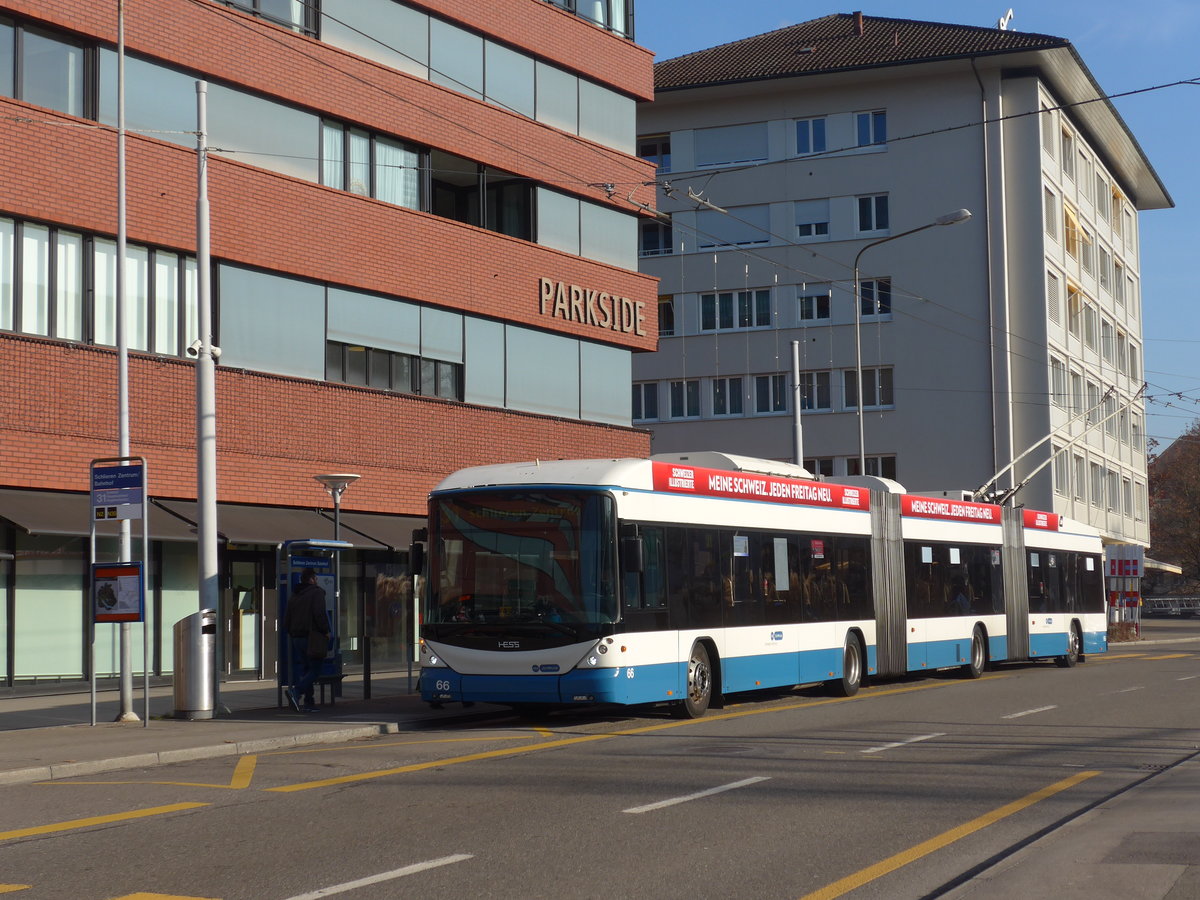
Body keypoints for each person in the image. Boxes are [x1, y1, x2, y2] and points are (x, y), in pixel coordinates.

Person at [282, 569, 331, 713]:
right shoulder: (317, 592)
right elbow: (319, 614)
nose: (317, 580)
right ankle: (296, 693)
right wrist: (325, 631)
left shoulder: (294, 595)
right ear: (311, 579)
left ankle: (309, 702)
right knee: (315, 670)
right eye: (315, 578)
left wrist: (292, 632)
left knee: (306, 670)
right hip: (312, 637)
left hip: (297, 638)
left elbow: (287, 618)